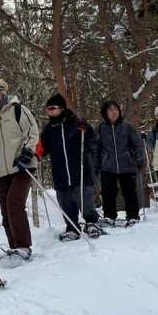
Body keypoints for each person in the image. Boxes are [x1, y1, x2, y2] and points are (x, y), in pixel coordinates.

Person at [0, 78, 39, 266]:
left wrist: (27, 153)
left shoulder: (18, 110)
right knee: (5, 209)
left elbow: (33, 134)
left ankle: (23, 246)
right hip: (1, 171)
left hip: (22, 166)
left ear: (2, 91)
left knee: (14, 203)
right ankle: (14, 247)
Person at [37, 93, 102, 240]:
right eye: (48, 109)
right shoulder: (49, 129)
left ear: (61, 108)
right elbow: (43, 148)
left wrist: (86, 132)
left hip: (80, 170)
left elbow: (93, 140)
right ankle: (72, 227)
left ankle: (92, 223)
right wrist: (36, 153)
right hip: (60, 173)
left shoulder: (76, 123)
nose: (50, 111)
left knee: (84, 199)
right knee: (65, 201)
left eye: (53, 108)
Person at [96, 100, 145, 227]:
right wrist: (96, 164)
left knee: (129, 192)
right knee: (108, 193)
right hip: (108, 166)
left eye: (116, 109)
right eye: (110, 110)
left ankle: (133, 216)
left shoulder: (127, 127)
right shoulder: (100, 129)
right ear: (105, 113)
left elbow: (137, 144)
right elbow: (97, 148)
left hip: (127, 164)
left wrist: (139, 159)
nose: (114, 112)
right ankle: (109, 216)